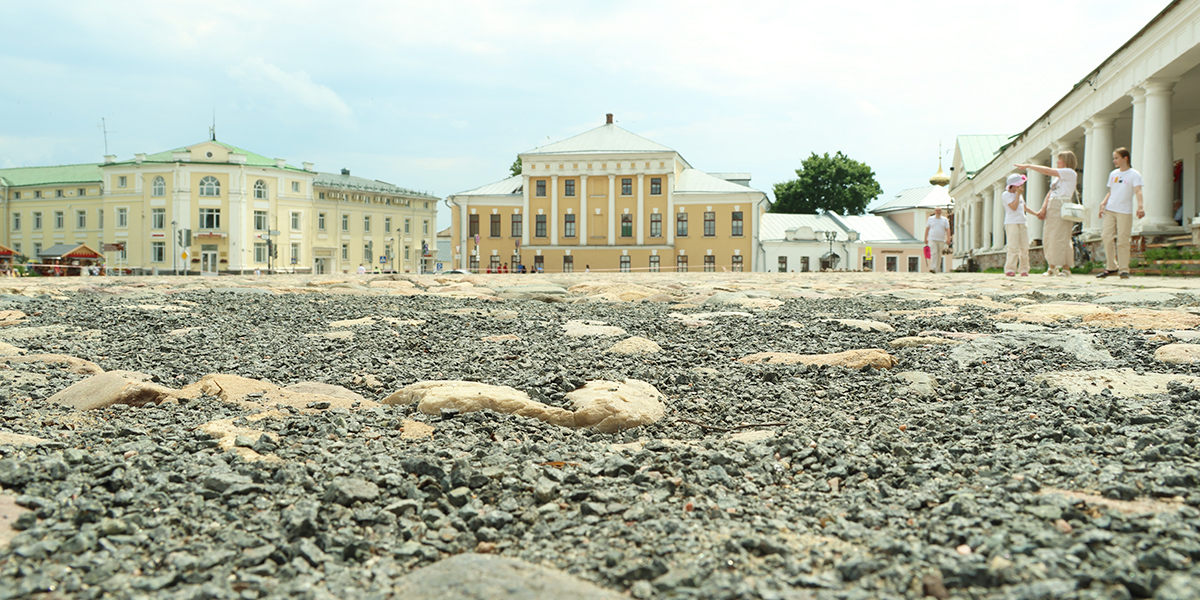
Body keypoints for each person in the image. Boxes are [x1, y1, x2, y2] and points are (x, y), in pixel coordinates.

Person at [1016, 151, 1077, 277]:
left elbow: (1047, 171)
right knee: (1049, 237)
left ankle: (1066, 268)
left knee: (1061, 237)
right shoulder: (1057, 178)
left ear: (1065, 160)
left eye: (1059, 160)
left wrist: (1029, 166)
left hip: (1062, 206)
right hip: (1052, 206)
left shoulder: (1069, 172)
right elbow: (1051, 193)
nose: (1057, 162)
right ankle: (1052, 267)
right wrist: (1043, 208)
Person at [1096, 147, 1144, 279]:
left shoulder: (1134, 174)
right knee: (1106, 236)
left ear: (1125, 158)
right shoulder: (1113, 174)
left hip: (1124, 210)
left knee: (1123, 240)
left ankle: (1124, 269)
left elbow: (1138, 191)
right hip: (1110, 209)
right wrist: (1103, 203)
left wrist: (1140, 206)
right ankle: (1111, 267)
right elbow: (1112, 191)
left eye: (1116, 158)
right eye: (1114, 158)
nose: (1114, 160)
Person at [1002, 174, 1039, 277]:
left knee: (1024, 247)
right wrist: (1017, 195)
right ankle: (1010, 269)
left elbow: (1025, 208)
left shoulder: (1020, 195)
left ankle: (1024, 269)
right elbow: (1013, 207)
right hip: (1011, 222)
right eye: (1020, 185)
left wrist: (1037, 214)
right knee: (1013, 247)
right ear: (1014, 185)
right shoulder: (1006, 195)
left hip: (1022, 222)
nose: (1022, 187)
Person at [923, 207, 952, 273]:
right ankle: (933, 268)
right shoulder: (930, 219)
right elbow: (927, 229)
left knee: (939, 254)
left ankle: (937, 269)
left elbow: (947, 229)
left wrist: (948, 238)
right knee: (934, 253)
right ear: (935, 211)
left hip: (941, 239)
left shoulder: (944, 220)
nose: (938, 211)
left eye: (939, 210)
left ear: (941, 211)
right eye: (937, 210)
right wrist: (925, 238)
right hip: (932, 239)